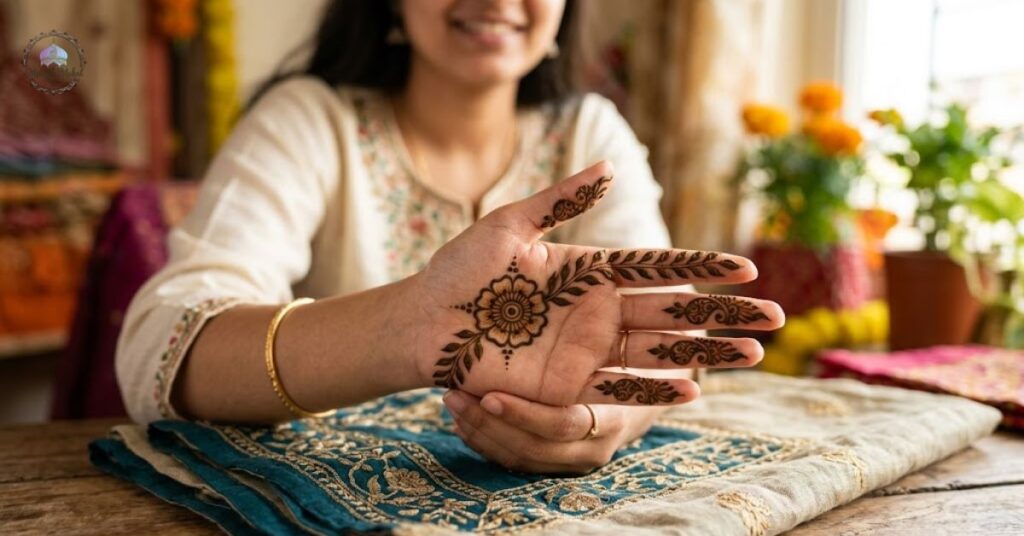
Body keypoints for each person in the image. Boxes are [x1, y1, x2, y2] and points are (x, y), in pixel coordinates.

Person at [116, 0, 783, 474]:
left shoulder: (590, 135)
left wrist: (605, 422)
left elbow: (665, 343)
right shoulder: (308, 120)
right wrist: (408, 329)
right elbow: (160, 350)